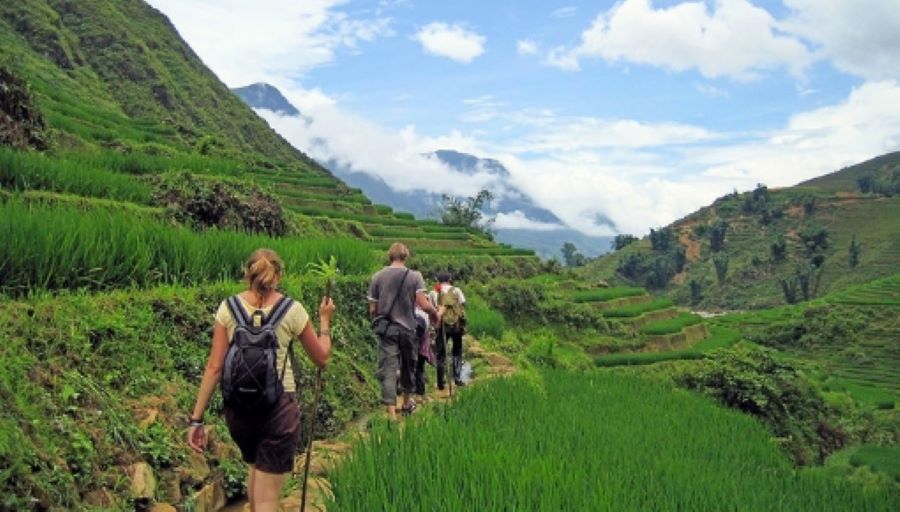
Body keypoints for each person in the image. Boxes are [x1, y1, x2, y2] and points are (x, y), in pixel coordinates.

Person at [187, 249, 334, 512]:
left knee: (255, 472)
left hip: (239, 411)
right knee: (267, 501)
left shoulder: (228, 308)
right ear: (277, 276)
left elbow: (214, 367)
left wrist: (196, 419)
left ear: (248, 274)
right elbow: (322, 357)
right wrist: (325, 322)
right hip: (279, 409)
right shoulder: (293, 310)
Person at [368, 243, 439, 419]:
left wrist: (380, 322)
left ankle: (391, 413)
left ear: (389, 256)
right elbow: (422, 304)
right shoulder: (415, 276)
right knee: (408, 366)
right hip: (408, 328)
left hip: (388, 331)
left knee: (389, 369)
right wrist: (435, 313)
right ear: (405, 257)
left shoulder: (377, 277)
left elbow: (372, 310)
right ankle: (407, 403)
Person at [429, 271, 467, 389]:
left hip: (441, 326)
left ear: (437, 279)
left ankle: (441, 383)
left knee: (440, 354)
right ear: (450, 279)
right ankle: (457, 378)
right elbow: (462, 306)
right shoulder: (457, 290)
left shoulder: (433, 292)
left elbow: (431, 310)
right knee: (457, 351)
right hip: (456, 326)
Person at [413, 306, 436, 404]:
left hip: (409, 340)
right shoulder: (425, 306)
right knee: (419, 368)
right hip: (421, 344)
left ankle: (411, 394)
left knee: (410, 366)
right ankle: (419, 394)